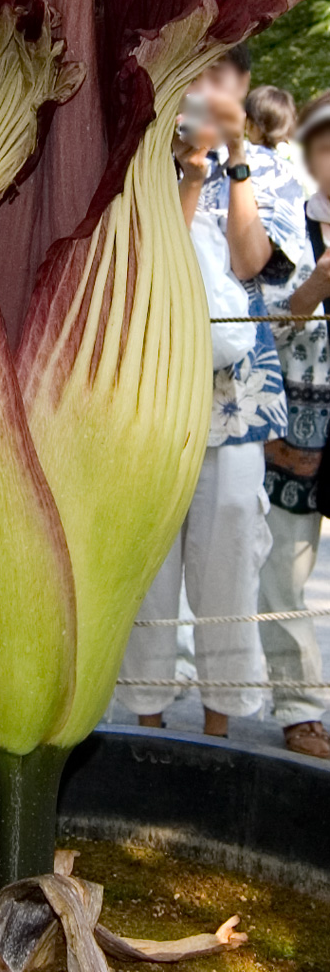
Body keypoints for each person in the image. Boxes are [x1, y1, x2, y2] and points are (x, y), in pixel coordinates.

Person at [119, 46, 305, 737]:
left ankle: (222, 731)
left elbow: (254, 262)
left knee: (229, 553)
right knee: (148, 565)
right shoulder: (138, 161)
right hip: (149, 400)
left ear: (244, 87)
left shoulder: (270, 171)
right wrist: (190, 175)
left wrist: (233, 160)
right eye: (200, 78)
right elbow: (142, 260)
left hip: (239, 400)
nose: (212, 92)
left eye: (226, 80)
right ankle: (146, 724)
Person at [260, 92, 330, 756]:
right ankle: (300, 708)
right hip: (302, 419)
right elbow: (271, 319)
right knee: (286, 562)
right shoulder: (285, 220)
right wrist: (319, 282)